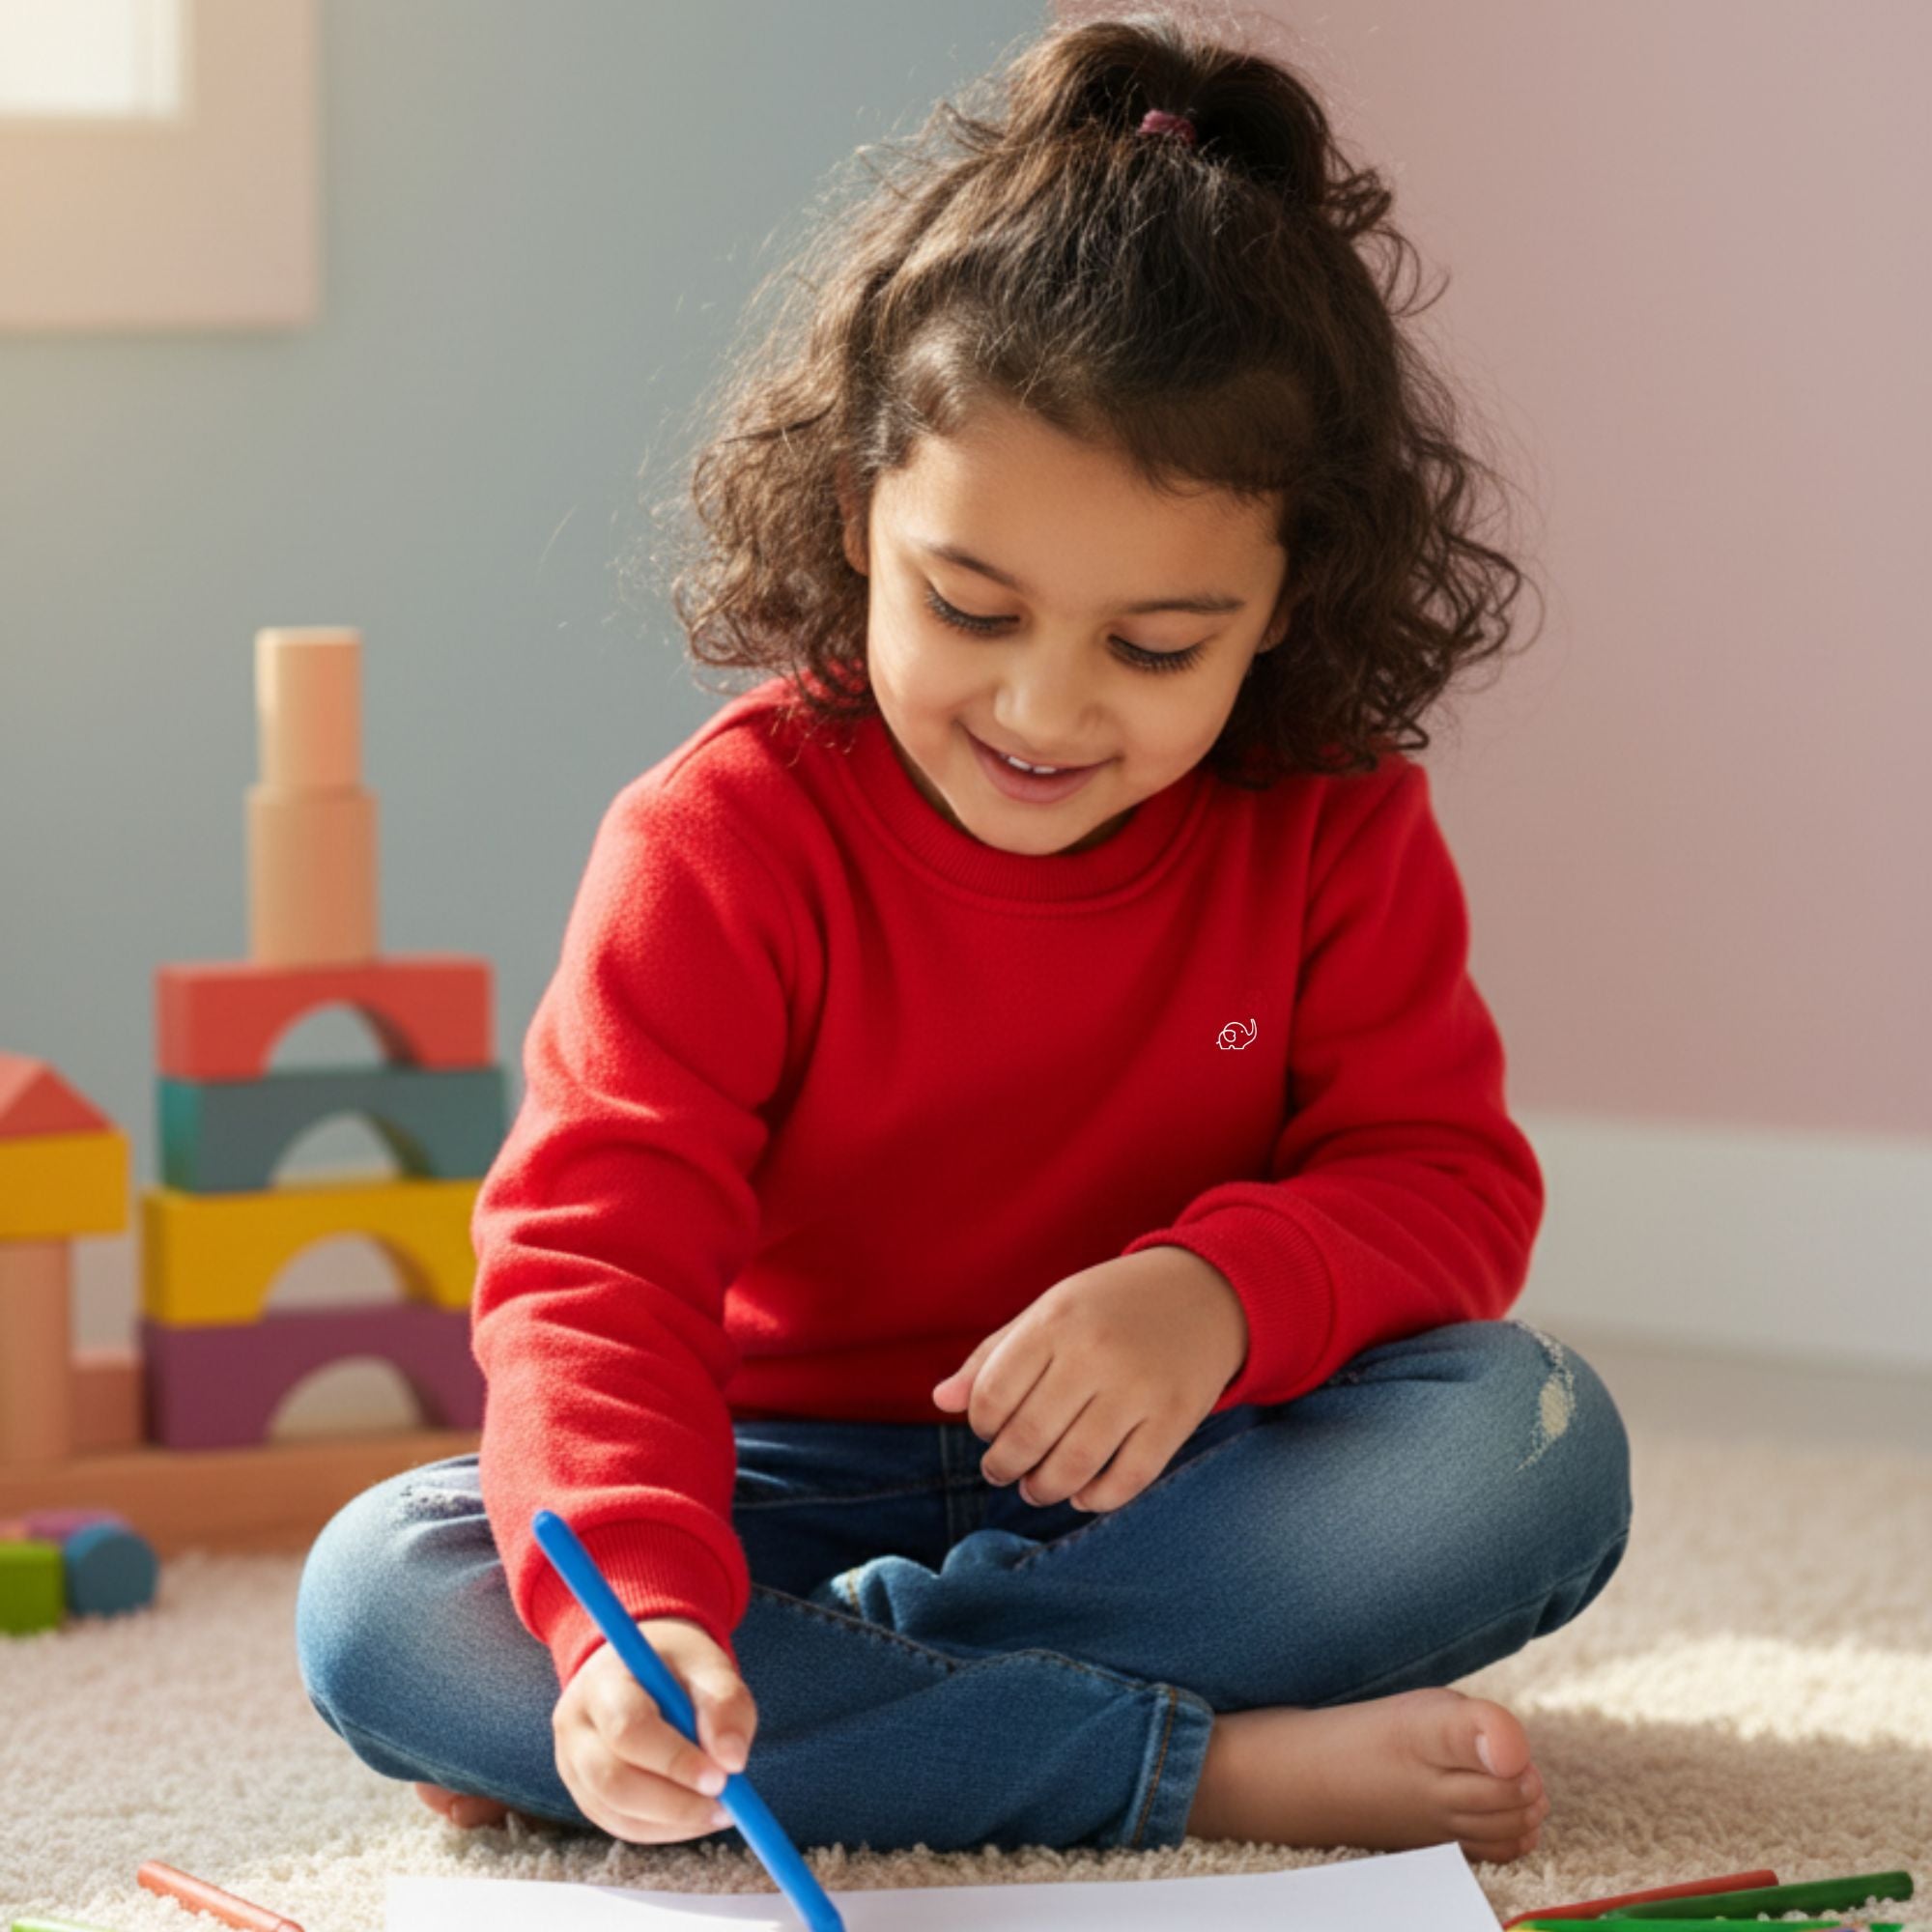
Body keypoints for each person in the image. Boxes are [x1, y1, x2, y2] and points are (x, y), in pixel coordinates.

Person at [296, 10, 1631, 1863]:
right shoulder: (725, 837)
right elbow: (594, 1262)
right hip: (758, 1483)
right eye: (968, 603)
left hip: (1160, 1494)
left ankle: (824, 1718)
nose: (1044, 707)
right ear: (861, 515)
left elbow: (1443, 1177)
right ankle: (1178, 1763)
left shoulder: (1331, 820)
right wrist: (652, 1612)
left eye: (1154, 647)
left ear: (1281, 602)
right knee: (381, 1600)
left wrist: (1217, 1293)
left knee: (1531, 1443)